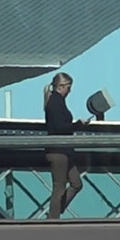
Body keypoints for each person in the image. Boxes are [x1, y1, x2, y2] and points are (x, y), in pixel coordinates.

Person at [43, 72, 89, 219]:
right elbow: (59, 127)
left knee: (76, 183)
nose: (70, 90)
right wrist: (77, 125)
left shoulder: (57, 102)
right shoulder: (55, 103)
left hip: (64, 150)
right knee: (59, 187)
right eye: (68, 87)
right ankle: (52, 220)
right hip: (58, 151)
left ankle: (57, 209)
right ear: (61, 86)